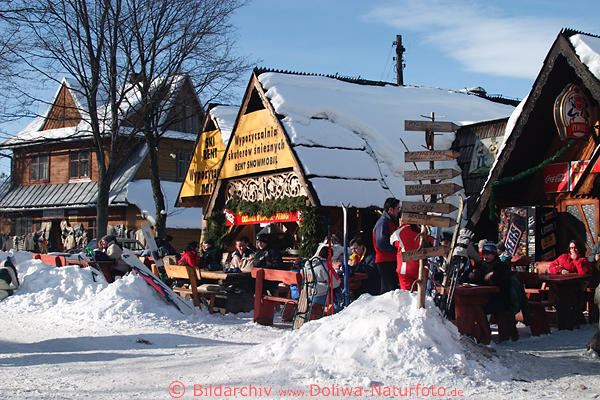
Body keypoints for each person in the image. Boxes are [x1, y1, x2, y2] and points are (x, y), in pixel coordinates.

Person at [466, 241, 518, 341]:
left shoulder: (501, 266)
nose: (486, 256)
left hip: (499, 297)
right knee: (475, 308)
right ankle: (483, 334)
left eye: (488, 254)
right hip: (484, 295)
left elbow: (500, 281)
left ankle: (503, 336)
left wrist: (491, 277)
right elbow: (477, 276)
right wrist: (472, 276)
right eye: (484, 254)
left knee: (499, 311)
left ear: (494, 254)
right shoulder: (481, 265)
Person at [372, 197, 401, 293]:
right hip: (385, 260)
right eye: (397, 208)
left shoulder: (390, 221)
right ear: (390, 210)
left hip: (390, 259)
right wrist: (396, 248)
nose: (399, 211)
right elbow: (381, 243)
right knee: (388, 289)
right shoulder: (383, 222)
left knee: (391, 288)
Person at [390, 221, 428, 291]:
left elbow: (393, 243)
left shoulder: (399, 231)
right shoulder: (422, 231)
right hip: (420, 267)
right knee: (421, 294)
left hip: (405, 269)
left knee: (407, 296)